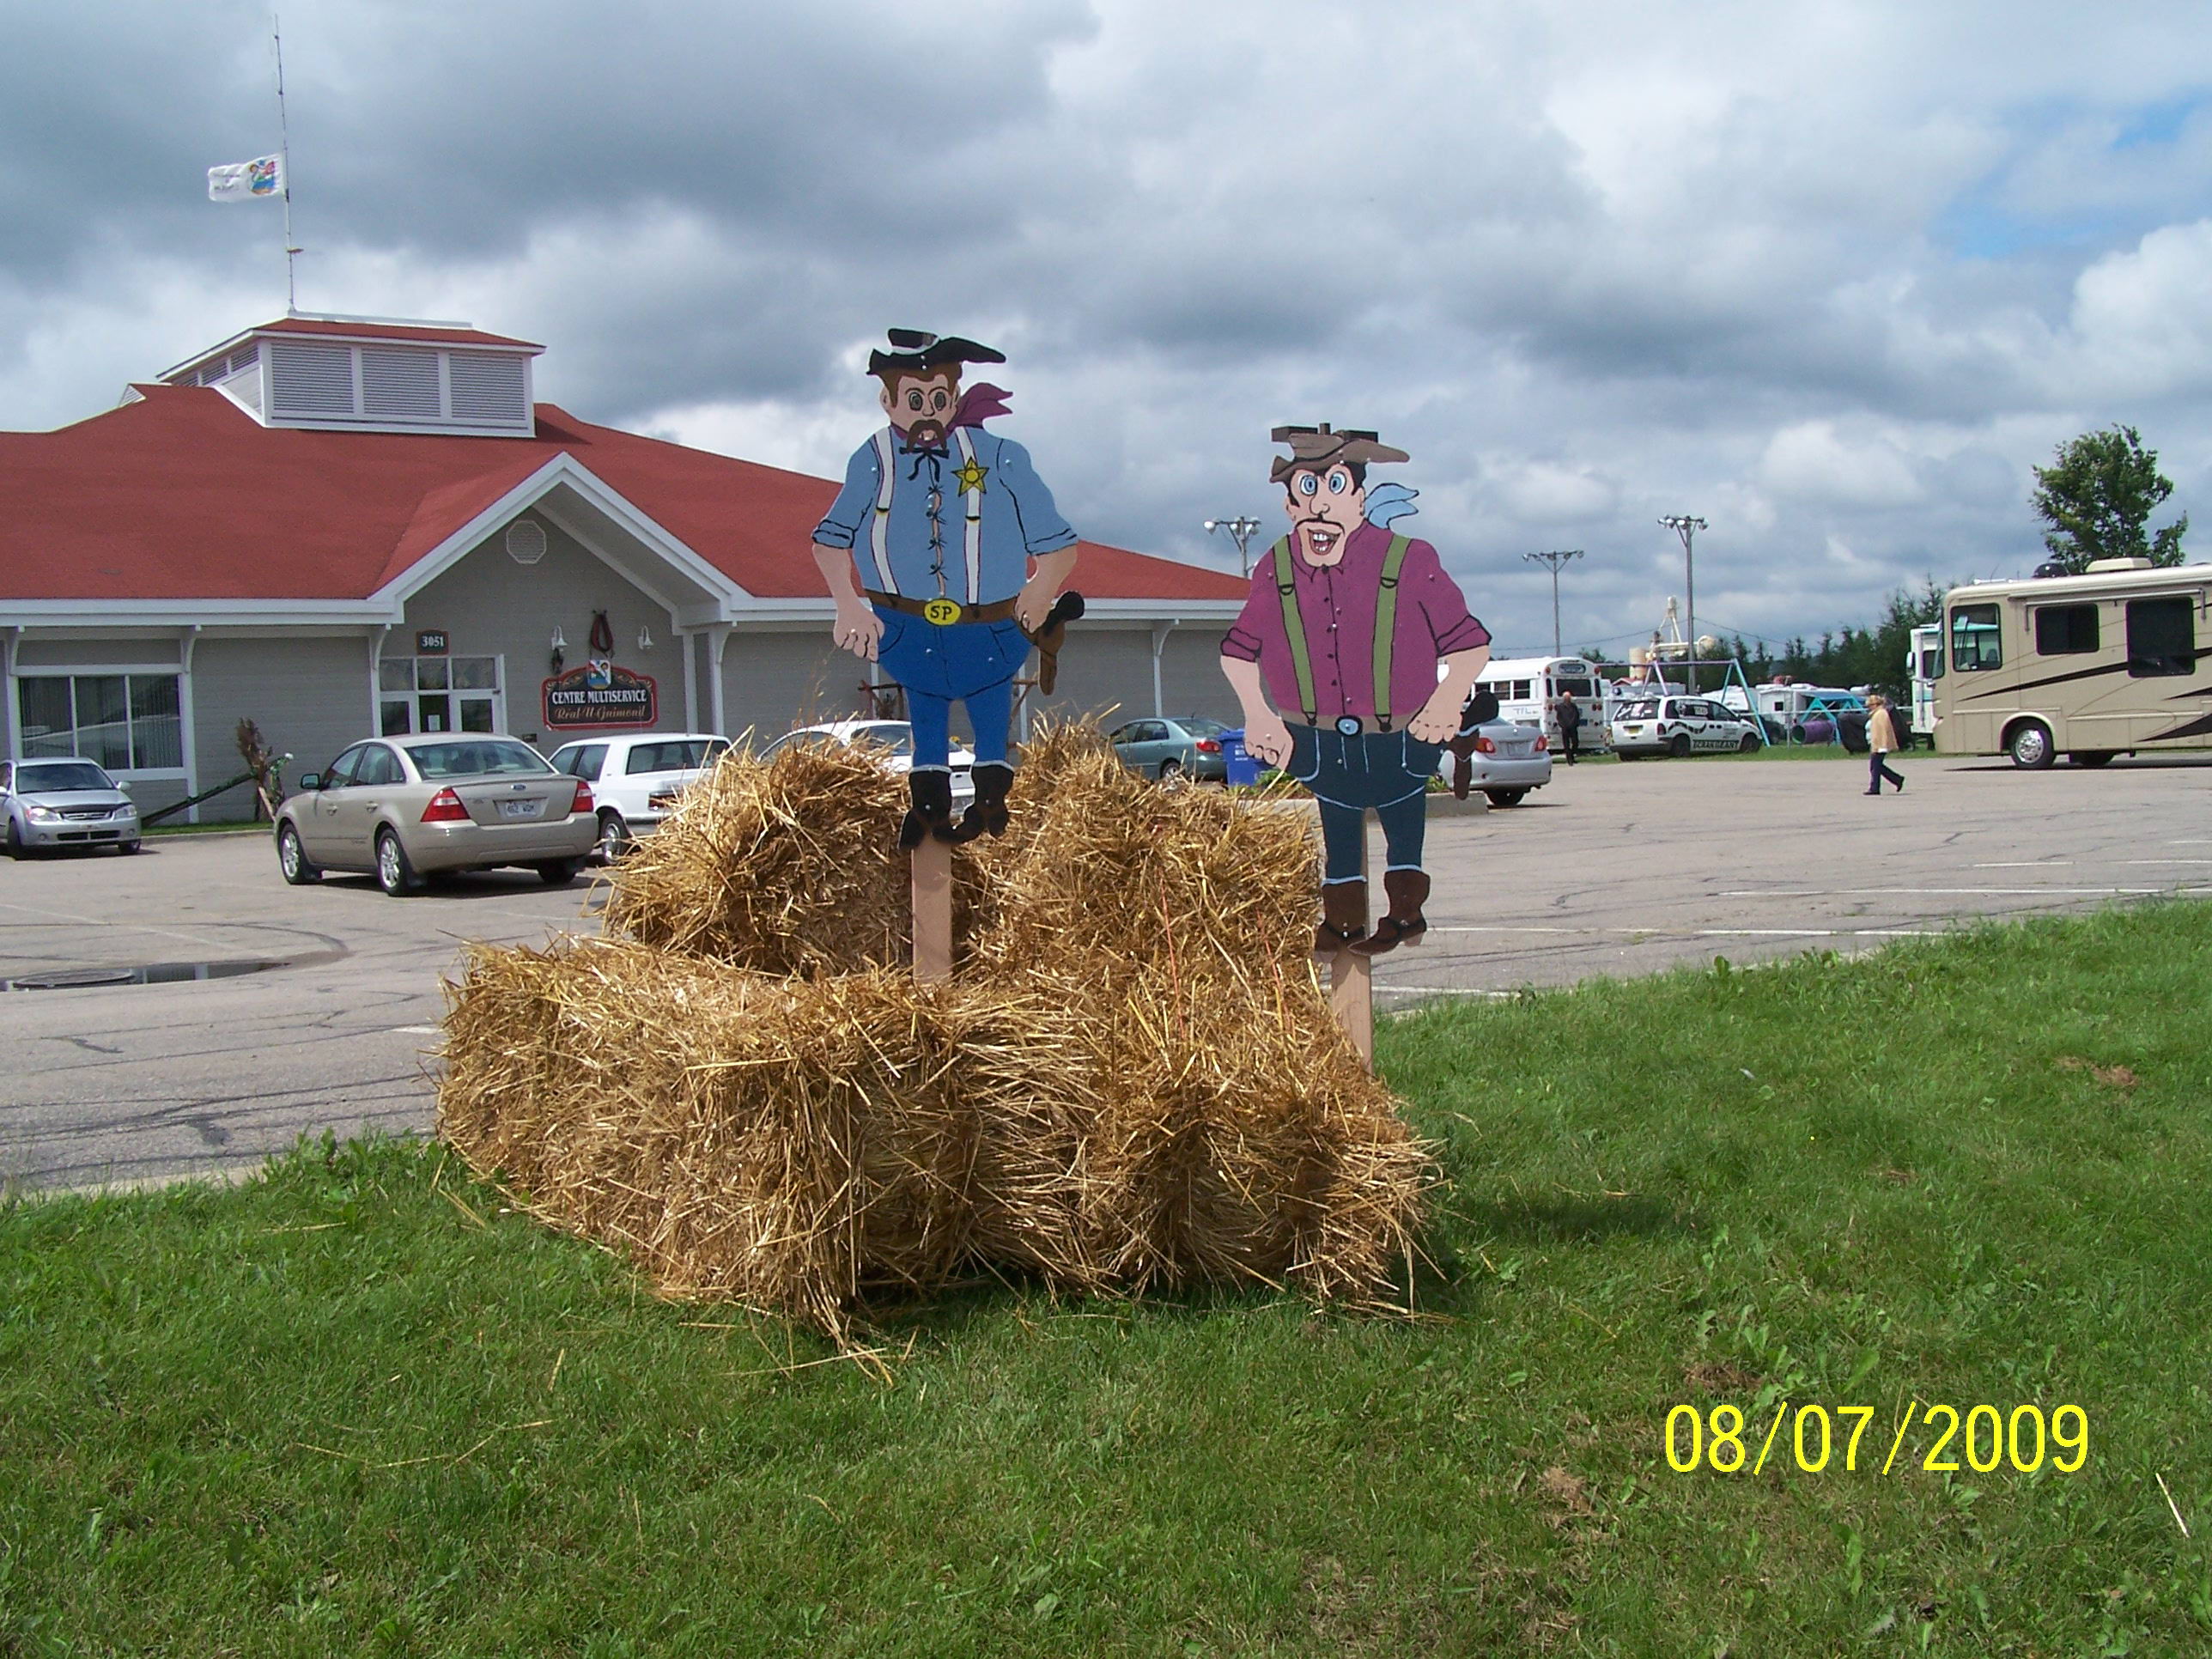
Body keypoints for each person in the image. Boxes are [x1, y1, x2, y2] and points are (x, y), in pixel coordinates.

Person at [1220, 424, 1492, 956]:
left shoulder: (1410, 560)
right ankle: (1342, 922)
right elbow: (1238, 650)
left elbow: (1469, 644)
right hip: (1317, 741)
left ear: (1360, 498)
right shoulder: (1275, 566)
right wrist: (1259, 713)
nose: (1319, 506)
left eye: (1335, 487)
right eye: (1304, 490)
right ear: (1290, 504)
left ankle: (1406, 914)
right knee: (1338, 828)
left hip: (1399, 738)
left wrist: (1446, 698)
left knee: (1403, 824)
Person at [811, 330, 1079, 847]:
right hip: (907, 628)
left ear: (955, 398)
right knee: (926, 720)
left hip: (989, 629)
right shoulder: (872, 460)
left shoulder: (1000, 457)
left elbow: (1059, 544)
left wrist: (1040, 589)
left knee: (991, 718)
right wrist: (849, 606)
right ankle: (928, 807)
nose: (928, 412)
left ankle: (991, 799)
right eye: (915, 400)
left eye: (939, 398)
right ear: (888, 401)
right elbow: (829, 540)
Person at [1865, 693, 1905, 795]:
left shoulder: (1881, 714)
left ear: (1876, 704)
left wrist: (1883, 745)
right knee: (1877, 766)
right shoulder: (1876, 714)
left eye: (1870, 705)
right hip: (1876, 744)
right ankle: (1897, 779)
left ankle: (1875, 788)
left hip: (1880, 745)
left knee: (1875, 767)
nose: (1869, 708)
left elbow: (1884, 730)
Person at [1553, 690, 1583, 764]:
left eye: (1568, 697)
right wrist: (1562, 724)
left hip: (1573, 727)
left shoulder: (1573, 706)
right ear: (1564, 698)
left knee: (1575, 742)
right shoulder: (1560, 707)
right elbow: (1559, 717)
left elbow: (1577, 715)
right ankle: (1569, 759)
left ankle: (1572, 755)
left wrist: (1575, 723)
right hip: (1565, 727)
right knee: (1566, 744)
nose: (1567, 698)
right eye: (1566, 697)